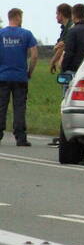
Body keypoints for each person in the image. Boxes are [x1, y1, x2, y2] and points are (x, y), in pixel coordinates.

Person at [0, 8, 38, 146]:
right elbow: (34, 55)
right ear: (16, 17)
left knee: (1, 106)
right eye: (21, 17)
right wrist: (30, 71)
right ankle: (20, 137)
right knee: (19, 107)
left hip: (3, 76)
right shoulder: (26, 34)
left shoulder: (1, 34)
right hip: (20, 77)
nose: (22, 20)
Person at [48, 3, 73, 146]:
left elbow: (62, 45)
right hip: (64, 68)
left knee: (66, 101)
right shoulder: (65, 28)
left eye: (57, 13)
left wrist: (53, 61)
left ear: (61, 14)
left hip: (68, 69)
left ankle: (64, 136)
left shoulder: (69, 28)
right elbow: (59, 44)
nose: (56, 16)